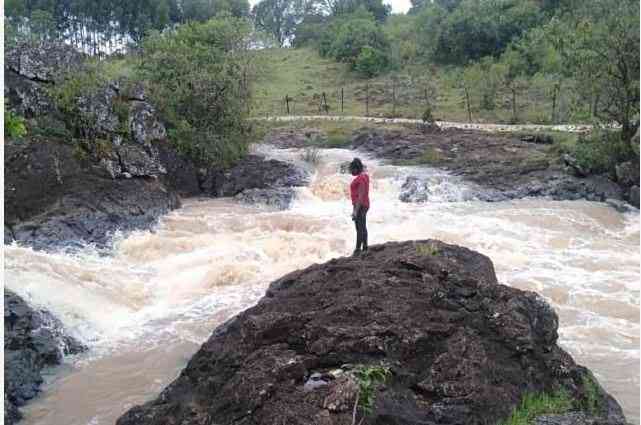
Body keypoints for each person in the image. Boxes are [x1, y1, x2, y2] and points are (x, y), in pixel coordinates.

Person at [349, 158, 369, 255]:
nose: (350, 171)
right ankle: (365, 247)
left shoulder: (360, 179)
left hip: (360, 205)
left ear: (356, 169)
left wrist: (355, 211)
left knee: (359, 228)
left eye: (352, 169)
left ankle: (357, 250)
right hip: (364, 204)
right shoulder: (365, 176)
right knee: (363, 226)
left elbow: (360, 196)